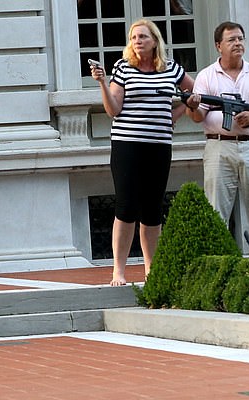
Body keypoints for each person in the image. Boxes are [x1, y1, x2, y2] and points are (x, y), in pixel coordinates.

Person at [90, 19, 194, 286]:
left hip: (159, 146)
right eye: (134, 37)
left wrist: (176, 114)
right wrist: (103, 83)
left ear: (155, 41)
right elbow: (113, 109)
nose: (137, 41)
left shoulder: (171, 68)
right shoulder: (123, 68)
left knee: (152, 209)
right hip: (127, 145)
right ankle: (119, 271)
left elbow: (195, 92)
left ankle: (152, 270)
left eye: (143, 37)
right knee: (126, 206)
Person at [185, 21, 249, 258]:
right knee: (216, 209)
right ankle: (219, 262)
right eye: (232, 40)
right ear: (218, 46)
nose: (238, 43)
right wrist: (191, 106)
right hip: (218, 146)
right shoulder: (207, 76)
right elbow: (198, 115)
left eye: (240, 38)